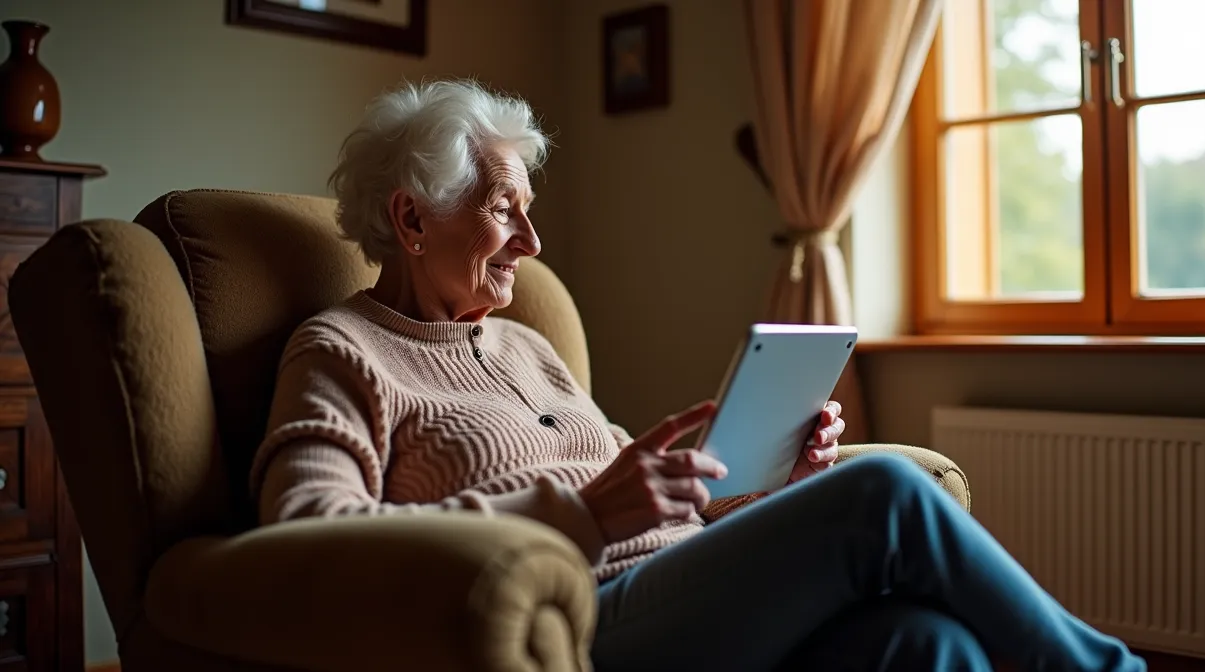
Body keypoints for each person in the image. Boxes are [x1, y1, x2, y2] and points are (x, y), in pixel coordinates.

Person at [251, 79, 1146, 672]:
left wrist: (768, 488)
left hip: (680, 593)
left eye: (530, 213)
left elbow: (660, 517)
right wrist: (579, 515)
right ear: (411, 218)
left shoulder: (526, 346)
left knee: (926, 642)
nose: (531, 242)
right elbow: (304, 537)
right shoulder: (340, 350)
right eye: (502, 211)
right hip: (574, 622)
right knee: (884, 494)